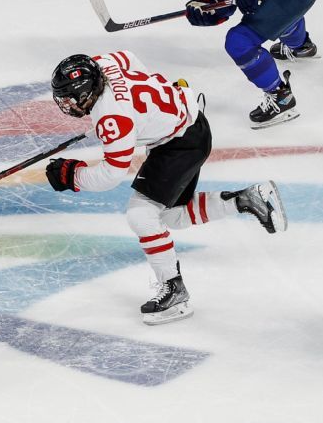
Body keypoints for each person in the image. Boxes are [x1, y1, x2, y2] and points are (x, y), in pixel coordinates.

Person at [46, 50, 287, 325]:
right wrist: (149, 109)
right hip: (186, 127)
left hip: (181, 143)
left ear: (86, 93)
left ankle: (175, 292)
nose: (65, 104)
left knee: (141, 215)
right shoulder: (101, 65)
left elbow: (111, 175)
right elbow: (128, 57)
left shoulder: (114, 118)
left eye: (69, 98)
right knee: (173, 216)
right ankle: (247, 199)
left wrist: (71, 176)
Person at [163, 0, 321, 129]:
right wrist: (207, 11)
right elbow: (229, 3)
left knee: (239, 41)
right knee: (271, 16)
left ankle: (280, 98)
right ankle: (301, 46)